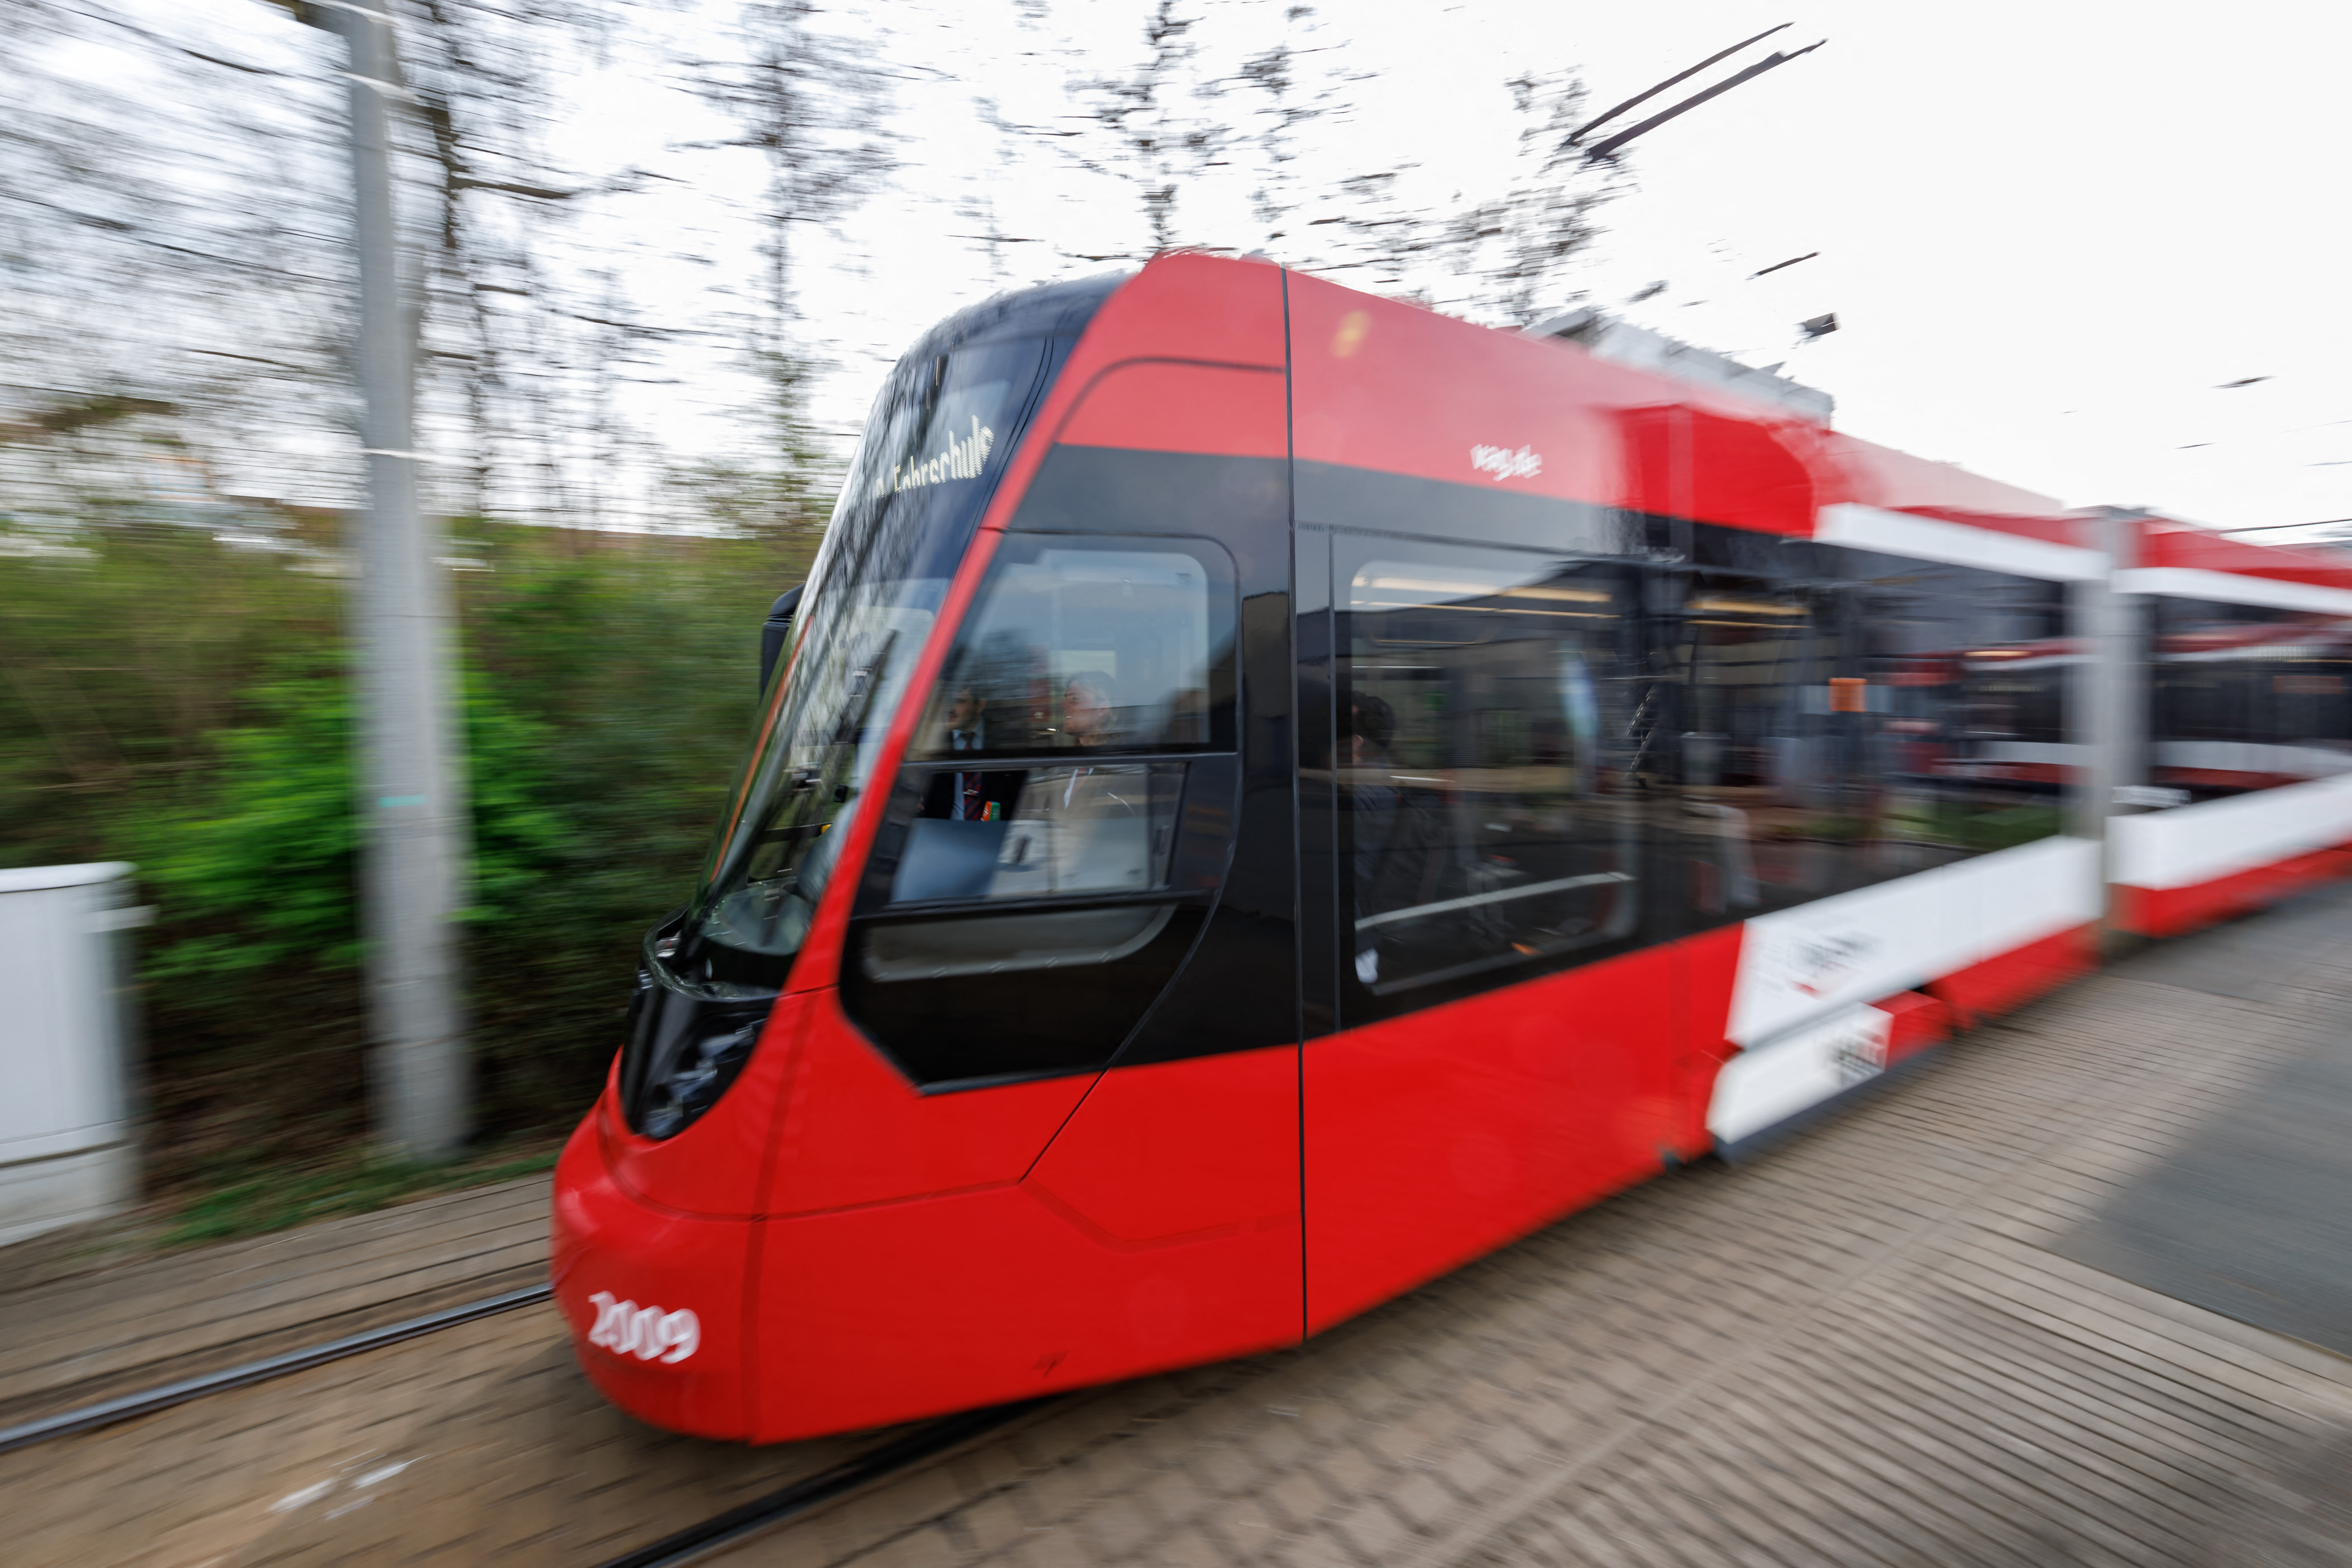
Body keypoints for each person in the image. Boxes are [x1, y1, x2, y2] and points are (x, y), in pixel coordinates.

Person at [920, 686, 1020, 822]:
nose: (950, 709)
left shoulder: (1002, 739)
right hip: (941, 832)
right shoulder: (930, 739)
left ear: (980, 706)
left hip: (993, 833)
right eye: (949, 701)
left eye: (959, 701)